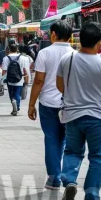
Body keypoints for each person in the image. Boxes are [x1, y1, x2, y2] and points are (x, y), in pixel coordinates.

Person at [56, 22, 101, 200]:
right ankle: (92, 197)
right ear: (99, 42)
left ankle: (69, 181)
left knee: (72, 152)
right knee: (98, 156)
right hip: (97, 118)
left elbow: (61, 87)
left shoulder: (67, 59)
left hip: (72, 116)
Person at [27, 21, 74, 190]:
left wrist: (31, 104)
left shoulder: (45, 53)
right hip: (69, 104)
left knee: (52, 140)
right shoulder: (74, 54)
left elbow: (39, 80)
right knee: (69, 141)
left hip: (48, 104)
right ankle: (68, 178)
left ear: (53, 34)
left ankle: (54, 179)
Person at [2, 43, 31, 115]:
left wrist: (2, 80)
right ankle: (17, 107)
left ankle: (13, 103)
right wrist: (27, 79)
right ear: (17, 49)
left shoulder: (5, 58)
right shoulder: (23, 58)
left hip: (9, 79)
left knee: (11, 93)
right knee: (17, 93)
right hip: (20, 79)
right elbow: (25, 70)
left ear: (9, 49)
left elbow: (4, 71)